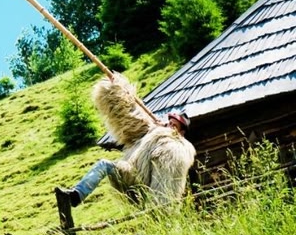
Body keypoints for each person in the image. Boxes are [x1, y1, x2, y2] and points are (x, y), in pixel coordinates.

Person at [54, 72, 196, 208]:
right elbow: (132, 118)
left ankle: (77, 195)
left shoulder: (178, 147)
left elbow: (168, 179)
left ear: (182, 131)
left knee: (105, 165)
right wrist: (117, 90)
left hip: (143, 183)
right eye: (169, 122)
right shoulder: (154, 133)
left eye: (174, 125)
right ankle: (77, 194)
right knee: (104, 165)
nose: (169, 126)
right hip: (131, 175)